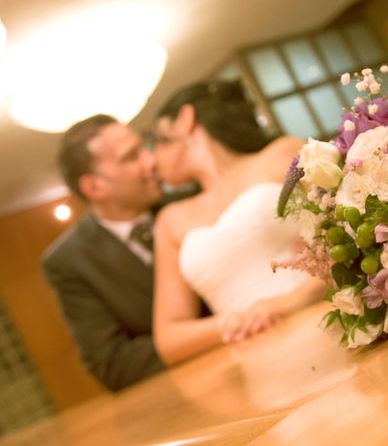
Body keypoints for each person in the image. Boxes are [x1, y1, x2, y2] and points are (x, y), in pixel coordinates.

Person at [152, 81, 325, 366]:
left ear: (185, 120)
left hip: (321, 320)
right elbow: (169, 339)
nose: (152, 158)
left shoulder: (281, 155)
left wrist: (288, 302)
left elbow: (350, 241)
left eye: (157, 141)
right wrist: (231, 323)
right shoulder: (170, 221)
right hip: (251, 361)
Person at [41, 114, 166, 391]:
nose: (152, 160)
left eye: (143, 147)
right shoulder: (68, 261)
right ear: (94, 187)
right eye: (131, 156)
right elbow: (113, 362)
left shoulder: (189, 205)